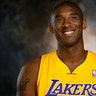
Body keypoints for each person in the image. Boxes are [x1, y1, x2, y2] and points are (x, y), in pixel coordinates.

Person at [16, 1, 96, 96]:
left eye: (73, 18)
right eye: (59, 20)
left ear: (83, 23)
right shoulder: (32, 69)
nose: (66, 24)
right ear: (51, 28)